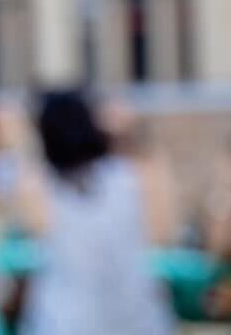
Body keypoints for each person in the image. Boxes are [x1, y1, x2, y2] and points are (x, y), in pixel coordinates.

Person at [19, 89, 174, 335]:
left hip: (65, 321)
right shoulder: (130, 176)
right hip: (135, 316)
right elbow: (164, 233)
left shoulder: (39, 186)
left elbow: (36, 224)